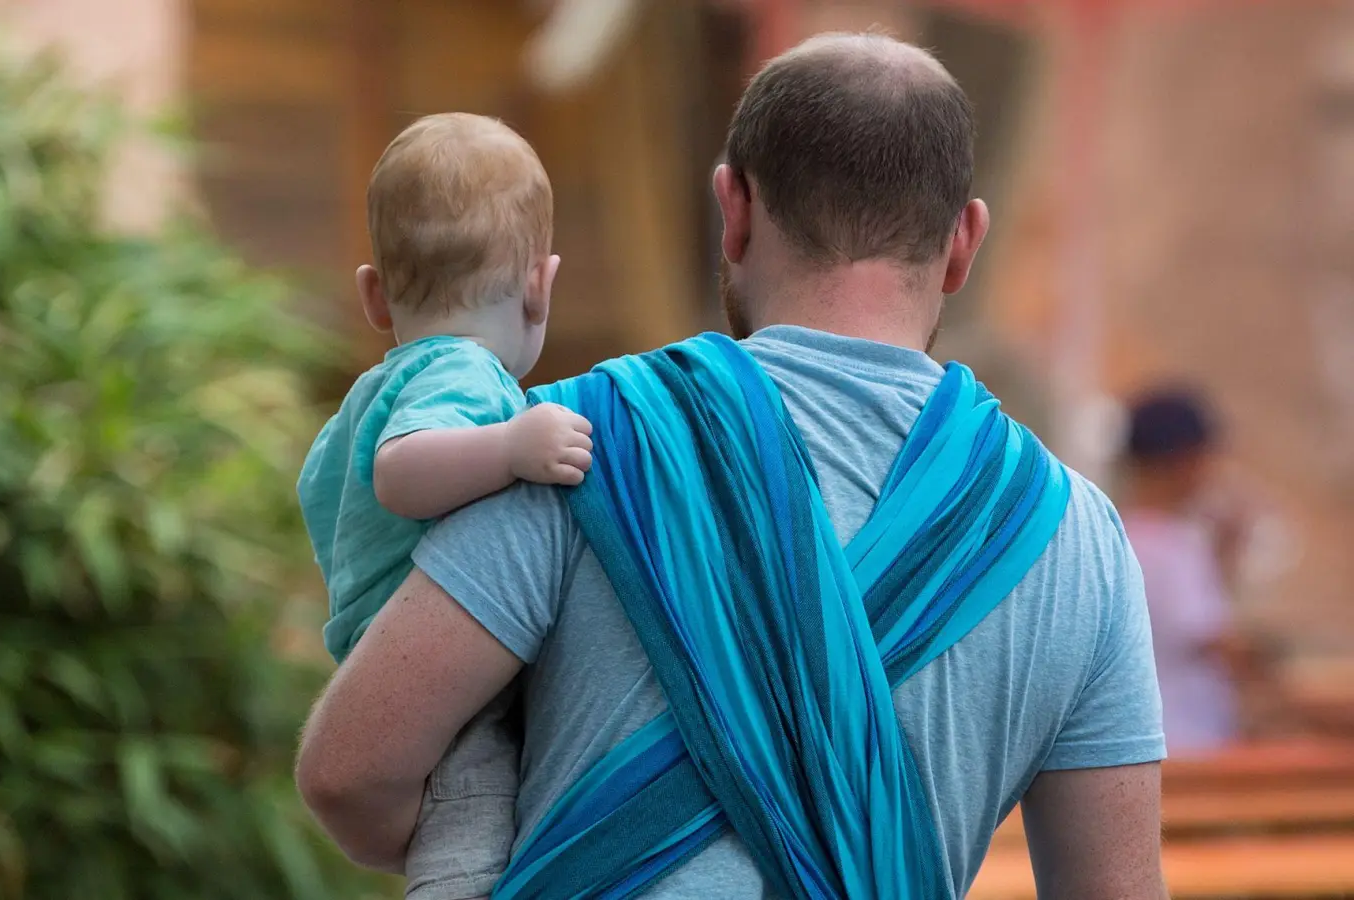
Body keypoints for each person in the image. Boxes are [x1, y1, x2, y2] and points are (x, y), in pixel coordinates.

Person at [298, 34, 1168, 899]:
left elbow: (351, 770)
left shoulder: (577, 439)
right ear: (964, 241)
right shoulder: (1075, 534)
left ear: (734, 208)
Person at [295, 112, 594, 900]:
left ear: (373, 296)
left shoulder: (379, 388)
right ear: (540, 283)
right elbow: (400, 474)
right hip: (446, 681)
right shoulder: (459, 375)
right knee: (472, 826)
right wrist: (509, 450)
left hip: (390, 656)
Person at [1121, 388, 1259, 754]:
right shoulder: (1173, 546)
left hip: (1144, 739)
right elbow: (1217, 642)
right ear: (1184, 460)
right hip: (1190, 745)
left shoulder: (1121, 535)